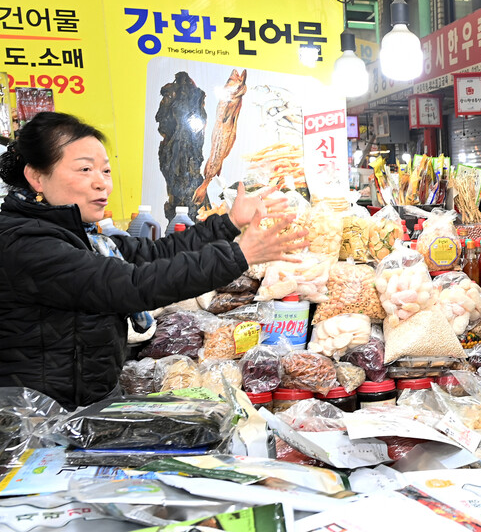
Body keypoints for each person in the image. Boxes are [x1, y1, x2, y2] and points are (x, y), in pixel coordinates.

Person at [0, 111, 306, 410]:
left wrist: (228, 223)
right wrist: (239, 254)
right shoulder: (24, 243)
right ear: (37, 177)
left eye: (105, 171)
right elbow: (132, 285)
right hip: (36, 416)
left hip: (84, 403)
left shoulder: (86, 237)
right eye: (85, 170)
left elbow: (155, 253)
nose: (101, 183)